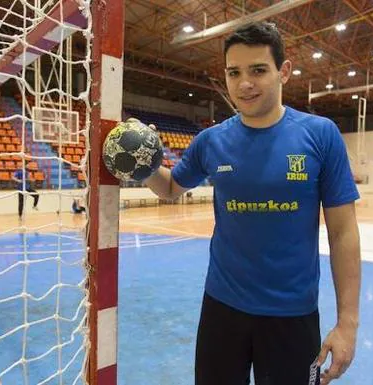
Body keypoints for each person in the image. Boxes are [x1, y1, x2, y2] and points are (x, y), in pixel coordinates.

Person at [143, 22, 361, 385]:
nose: (244, 83)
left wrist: (347, 324)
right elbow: (169, 189)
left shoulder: (320, 135)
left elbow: (343, 233)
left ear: (283, 72)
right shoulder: (210, 141)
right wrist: (144, 161)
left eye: (258, 70)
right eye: (234, 72)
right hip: (221, 309)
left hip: (292, 314)